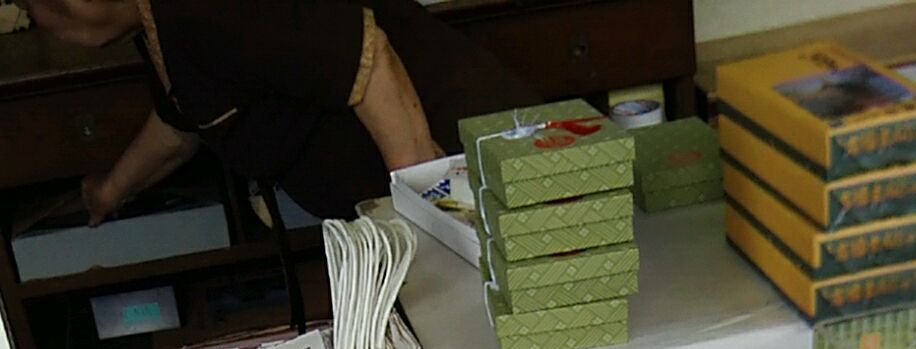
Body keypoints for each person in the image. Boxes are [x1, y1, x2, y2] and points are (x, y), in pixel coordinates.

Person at [25, 0, 535, 222]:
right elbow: (185, 120)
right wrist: (111, 191)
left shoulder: (203, 6)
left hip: (473, 171)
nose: (35, 19)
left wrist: (431, 201)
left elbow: (366, 57)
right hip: (412, 201)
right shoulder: (157, 23)